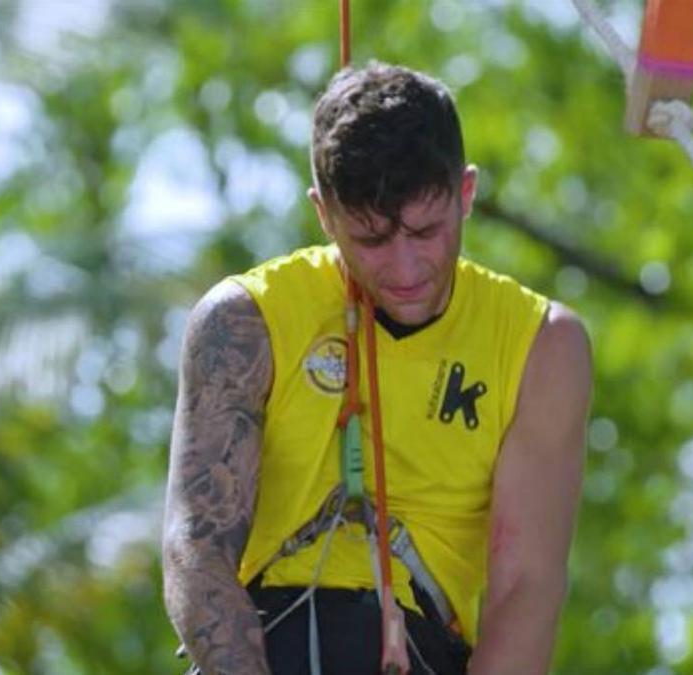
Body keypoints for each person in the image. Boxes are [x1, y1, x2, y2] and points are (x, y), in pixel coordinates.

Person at [161, 61, 591, 675]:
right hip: (261, 645)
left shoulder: (540, 344)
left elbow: (527, 586)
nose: (405, 267)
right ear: (324, 213)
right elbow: (196, 548)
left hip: (423, 648)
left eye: (426, 230)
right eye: (370, 239)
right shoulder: (243, 322)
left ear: (466, 193)